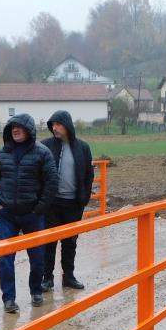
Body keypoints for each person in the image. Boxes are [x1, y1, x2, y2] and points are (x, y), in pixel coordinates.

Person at [0, 113, 57, 312]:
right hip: (7, 214)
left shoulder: (42, 153)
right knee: (5, 258)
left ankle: (36, 291)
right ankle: (8, 299)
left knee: (37, 257)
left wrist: (39, 209)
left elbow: (51, 183)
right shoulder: (2, 154)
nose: (15, 130)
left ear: (29, 130)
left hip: (32, 214)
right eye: (12, 127)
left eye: (19, 127)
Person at [39, 110, 94, 291]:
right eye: (52, 125)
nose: (55, 128)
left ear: (67, 125)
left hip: (73, 204)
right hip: (52, 204)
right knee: (49, 242)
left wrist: (84, 198)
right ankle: (47, 278)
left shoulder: (82, 148)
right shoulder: (45, 146)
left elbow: (88, 174)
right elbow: (38, 174)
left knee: (70, 242)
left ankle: (68, 277)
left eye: (58, 124)